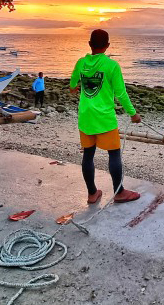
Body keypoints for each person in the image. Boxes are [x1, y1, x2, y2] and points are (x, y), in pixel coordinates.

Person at [70, 29, 141, 205]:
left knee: (88, 154)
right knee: (114, 154)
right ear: (108, 45)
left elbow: (72, 85)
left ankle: (92, 193)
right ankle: (119, 192)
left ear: (89, 44)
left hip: (86, 117)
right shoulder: (112, 66)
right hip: (104, 118)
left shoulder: (81, 62)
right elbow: (121, 94)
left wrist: (76, 88)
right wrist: (133, 114)